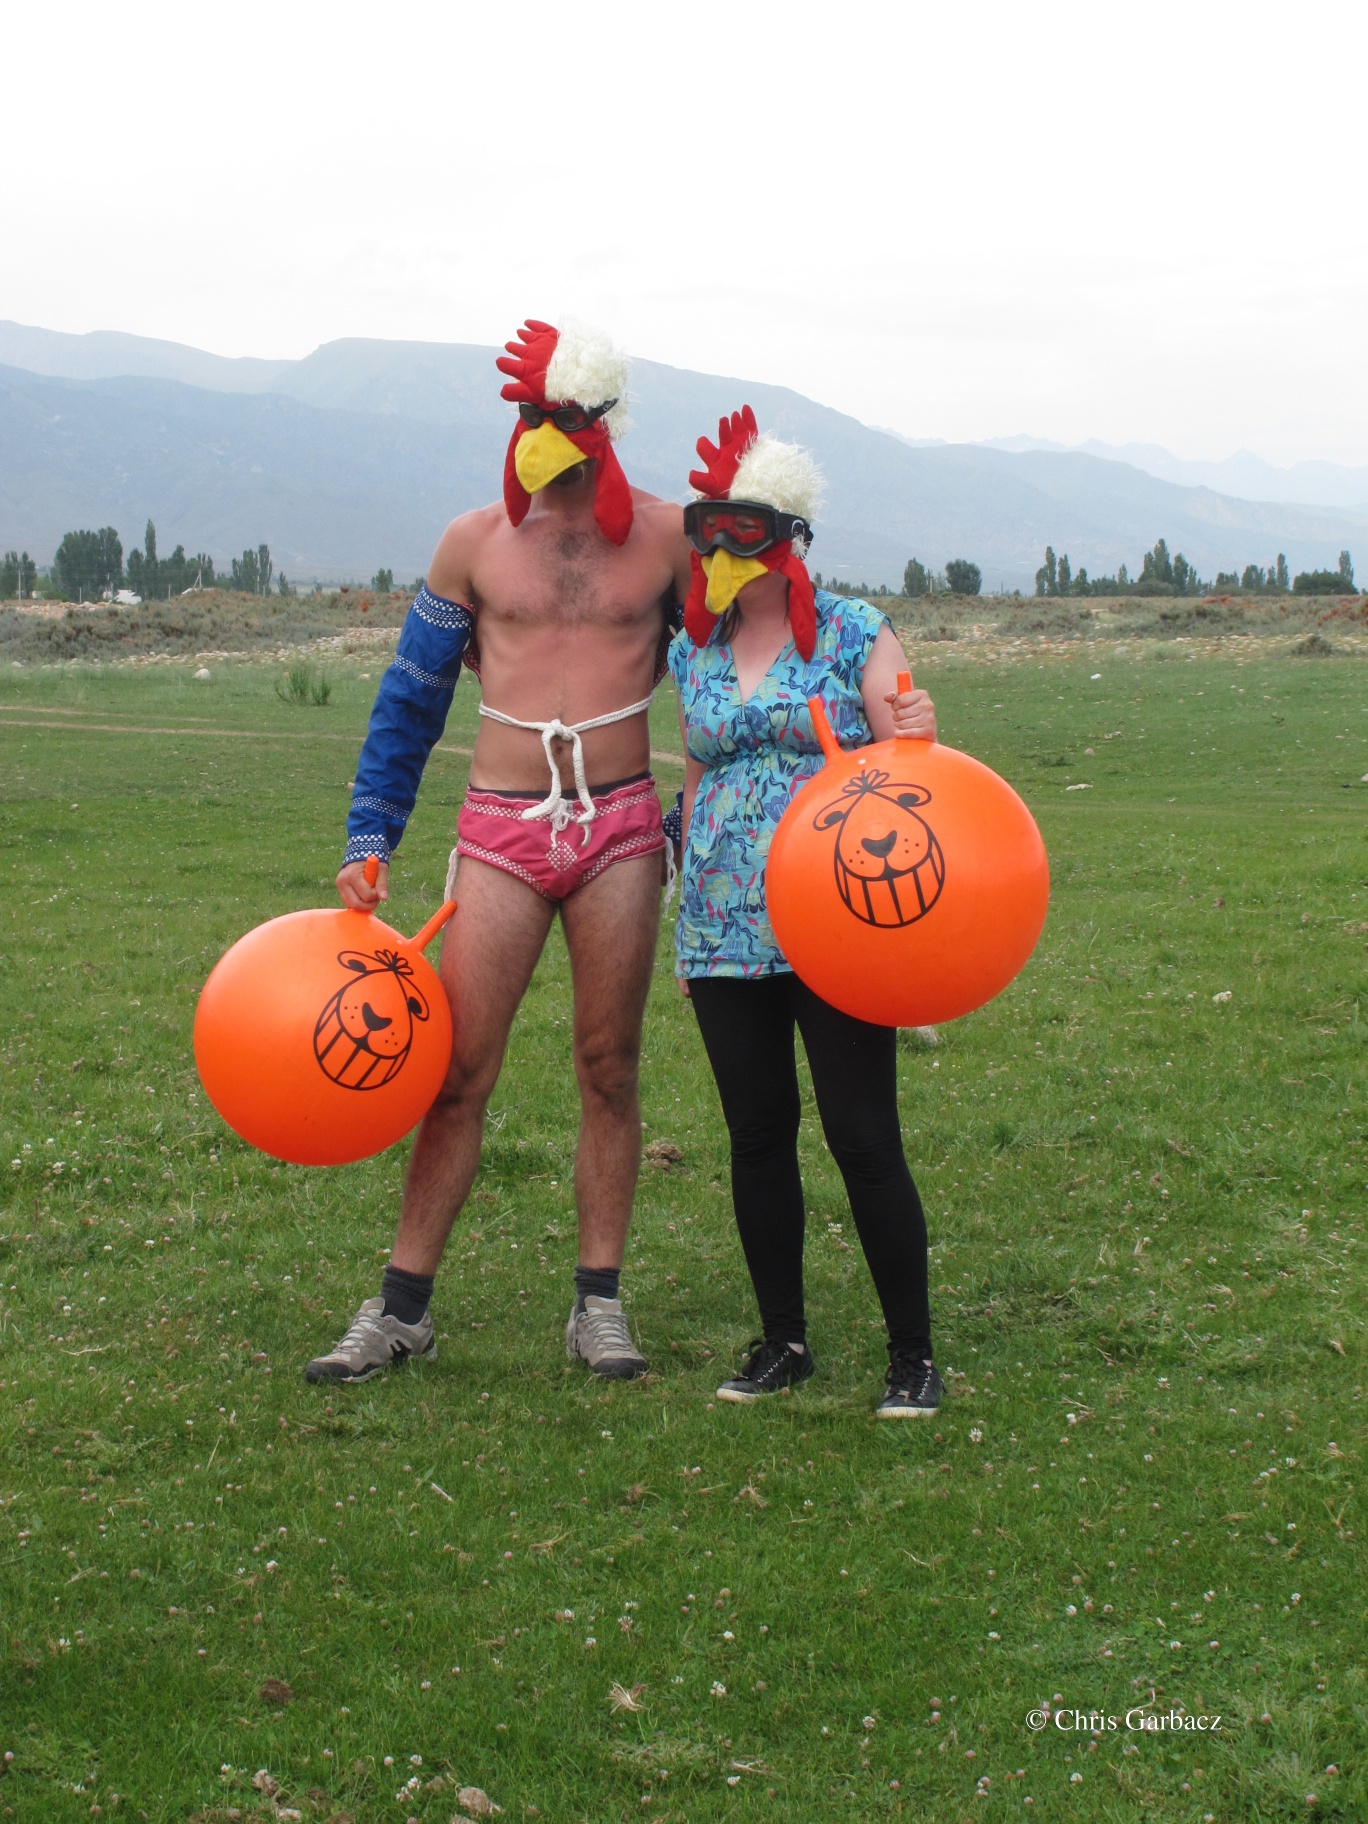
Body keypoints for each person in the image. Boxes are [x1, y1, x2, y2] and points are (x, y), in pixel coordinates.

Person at [305, 319, 692, 1386]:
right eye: (528, 417)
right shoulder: (472, 544)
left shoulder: (669, 542)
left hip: (620, 828)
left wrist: (700, 821)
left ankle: (598, 1304)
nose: (542, 437)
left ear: (602, 424)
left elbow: (730, 672)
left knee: (609, 1066)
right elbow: (412, 695)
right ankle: (401, 1309)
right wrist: (371, 834)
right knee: (457, 1070)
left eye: (561, 418)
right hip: (499, 831)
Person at [669, 407, 944, 1417]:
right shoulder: (695, 647)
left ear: (787, 535)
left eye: (741, 529)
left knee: (863, 1134)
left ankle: (913, 1356)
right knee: (756, 1134)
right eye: (708, 530)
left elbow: (909, 762)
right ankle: (782, 1341)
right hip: (720, 928)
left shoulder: (857, 631)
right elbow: (695, 771)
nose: (721, 549)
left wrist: (920, 727)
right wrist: (686, 908)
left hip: (837, 919)